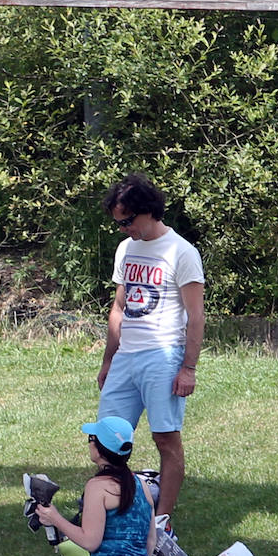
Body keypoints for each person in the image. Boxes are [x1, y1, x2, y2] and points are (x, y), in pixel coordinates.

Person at [97, 172, 205, 521]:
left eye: (127, 220)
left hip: (164, 356)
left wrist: (188, 367)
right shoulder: (126, 249)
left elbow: (196, 315)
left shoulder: (181, 252)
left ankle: (162, 520)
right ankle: (116, 513)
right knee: (106, 442)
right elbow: (118, 308)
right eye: (118, 222)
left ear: (149, 211)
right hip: (126, 356)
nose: (123, 228)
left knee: (165, 440)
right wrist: (108, 360)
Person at [25, 417, 156, 556]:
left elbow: (90, 541)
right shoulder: (140, 483)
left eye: (90, 439)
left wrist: (55, 518)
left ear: (99, 448)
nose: (88, 444)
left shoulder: (98, 486)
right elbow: (151, 540)